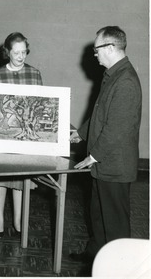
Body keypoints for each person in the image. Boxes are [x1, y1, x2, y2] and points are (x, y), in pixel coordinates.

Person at [69, 26, 142, 272]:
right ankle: (95, 258)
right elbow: (100, 113)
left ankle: (120, 269)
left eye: (96, 49)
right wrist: (79, 134)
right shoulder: (113, 74)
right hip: (104, 165)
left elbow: (116, 129)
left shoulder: (126, 81)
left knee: (116, 224)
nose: (94, 54)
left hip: (114, 166)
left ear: (110, 48)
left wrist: (93, 156)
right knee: (99, 216)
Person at [0, 32, 43, 238]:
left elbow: (41, 104)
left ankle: (17, 220)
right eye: (16, 52)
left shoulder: (35, 74)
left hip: (25, 137)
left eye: (24, 52)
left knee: (20, 180)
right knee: (0, 179)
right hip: (3, 136)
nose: (20, 56)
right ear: (7, 52)